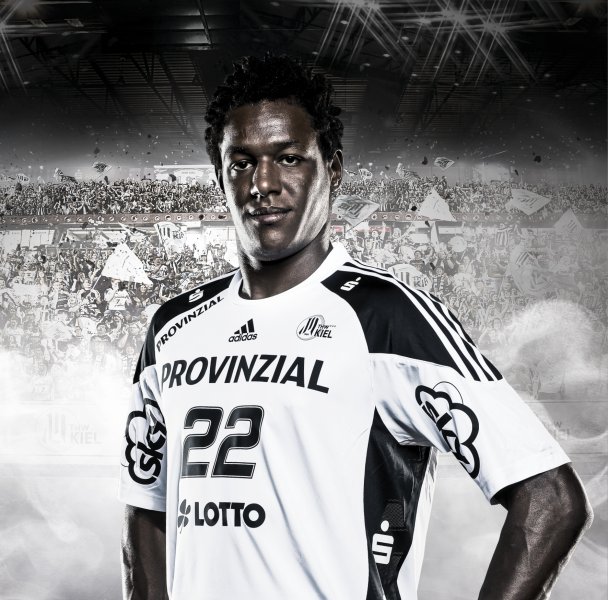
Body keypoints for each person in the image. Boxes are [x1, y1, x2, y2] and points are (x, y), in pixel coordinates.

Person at [119, 54, 592, 600]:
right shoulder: (172, 328)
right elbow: (145, 510)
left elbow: (551, 497)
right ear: (220, 175)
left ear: (333, 169)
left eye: (289, 158)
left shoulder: (388, 317)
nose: (263, 183)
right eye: (242, 162)